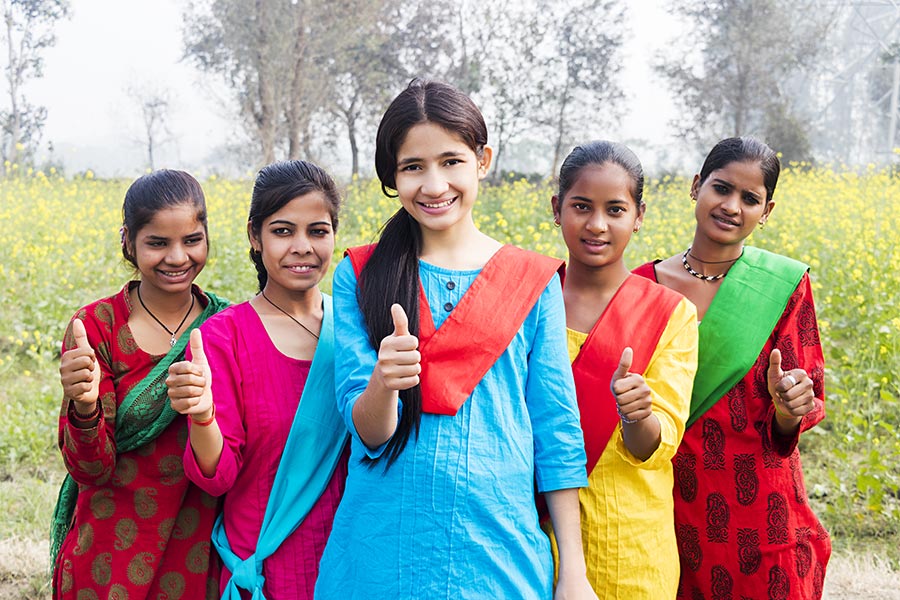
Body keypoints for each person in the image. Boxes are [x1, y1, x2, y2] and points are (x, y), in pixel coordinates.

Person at [314, 79, 595, 600]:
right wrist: (384, 381)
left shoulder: (531, 281)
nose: (434, 184)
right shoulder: (361, 273)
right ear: (392, 177)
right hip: (380, 554)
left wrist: (572, 572)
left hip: (497, 553)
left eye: (451, 161)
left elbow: (556, 431)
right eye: (413, 167)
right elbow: (369, 433)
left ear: (483, 160)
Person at [633, 137, 830, 599]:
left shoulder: (783, 285)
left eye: (750, 199)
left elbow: (800, 404)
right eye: (721, 189)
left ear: (767, 211)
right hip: (669, 506)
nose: (732, 206)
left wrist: (790, 407)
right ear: (696, 186)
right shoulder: (641, 287)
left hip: (762, 512)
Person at [165, 160, 348, 600]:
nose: (302, 247)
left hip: (350, 565)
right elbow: (217, 475)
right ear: (255, 236)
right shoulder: (224, 337)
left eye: (318, 231)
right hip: (267, 572)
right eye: (283, 231)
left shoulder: (356, 325)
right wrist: (204, 417)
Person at [51, 169, 229, 599]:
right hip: (109, 551)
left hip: (196, 544)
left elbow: (236, 454)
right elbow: (91, 469)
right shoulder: (96, 327)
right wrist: (85, 406)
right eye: (157, 243)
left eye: (191, 240)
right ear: (128, 241)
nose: (177, 257)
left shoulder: (224, 327)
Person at [544, 141, 698, 599]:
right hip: (535, 541)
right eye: (581, 206)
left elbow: (655, 444)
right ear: (557, 208)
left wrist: (637, 415)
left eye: (615, 209)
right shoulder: (530, 301)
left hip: (630, 548)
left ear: (639, 215)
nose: (597, 224)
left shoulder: (670, 315)